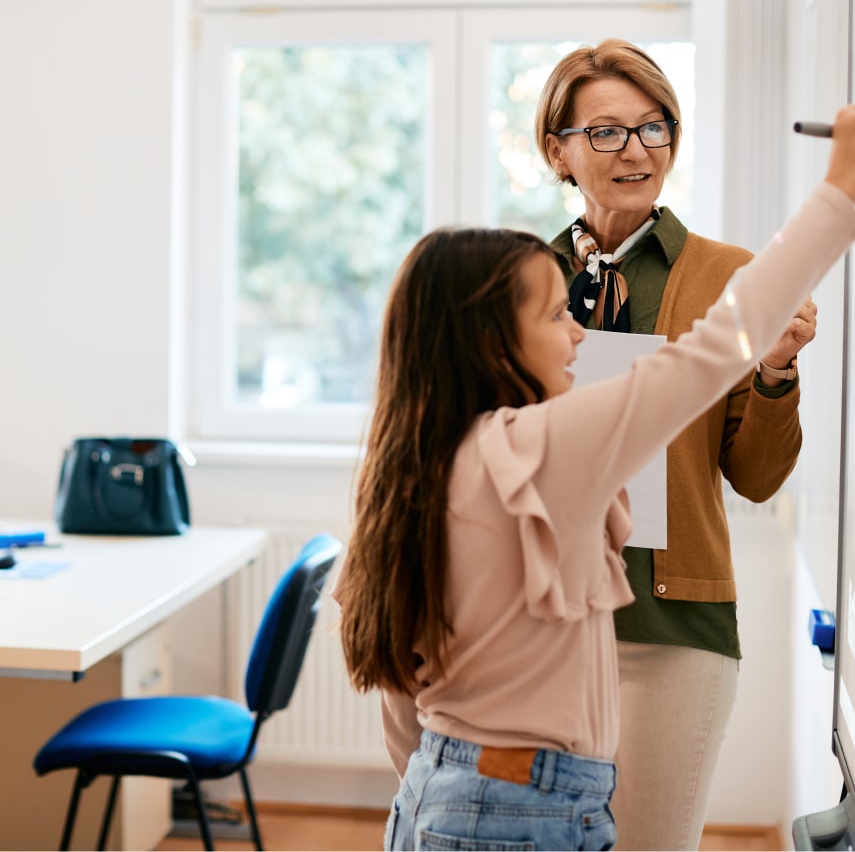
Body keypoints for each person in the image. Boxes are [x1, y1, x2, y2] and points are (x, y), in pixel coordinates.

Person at [332, 103, 855, 852]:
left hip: (438, 795)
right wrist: (839, 188)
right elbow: (709, 353)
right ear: (489, 342)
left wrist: (450, 795)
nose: (578, 330)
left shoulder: (416, 461)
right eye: (553, 317)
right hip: (519, 810)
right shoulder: (538, 447)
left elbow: (400, 704)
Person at [534, 38, 819, 850]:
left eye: (654, 127)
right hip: (540, 620)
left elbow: (757, 478)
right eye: (606, 132)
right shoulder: (521, 279)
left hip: (672, 625)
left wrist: (773, 372)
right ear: (557, 150)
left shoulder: (734, 277)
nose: (635, 150)